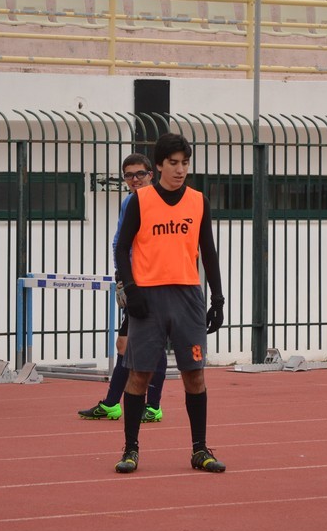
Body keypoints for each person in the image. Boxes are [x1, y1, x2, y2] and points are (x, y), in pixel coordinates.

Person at [112, 133, 227, 475]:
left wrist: (217, 298)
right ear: (159, 166)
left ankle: (199, 450)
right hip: (148, 297)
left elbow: (208, 251)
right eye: (173, 163)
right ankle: (130, 449)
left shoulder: (198, 201)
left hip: (187, 296)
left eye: (185, 163)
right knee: (139, 374)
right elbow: (121, 247)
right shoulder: (140, 200)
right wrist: (132, 290)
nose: (180, 170)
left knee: (195, 374)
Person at [78, 153, 169, 423]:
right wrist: (122, 279)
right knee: (124, 344)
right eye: (128, 175)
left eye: (140, 174)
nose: (134, 179)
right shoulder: (129, 202)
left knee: (151, 345)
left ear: (151, 174)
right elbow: (119, 242)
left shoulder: (160, 202)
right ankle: (111, 404)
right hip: (133, 282)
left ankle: (152, 406)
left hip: (155, 283)